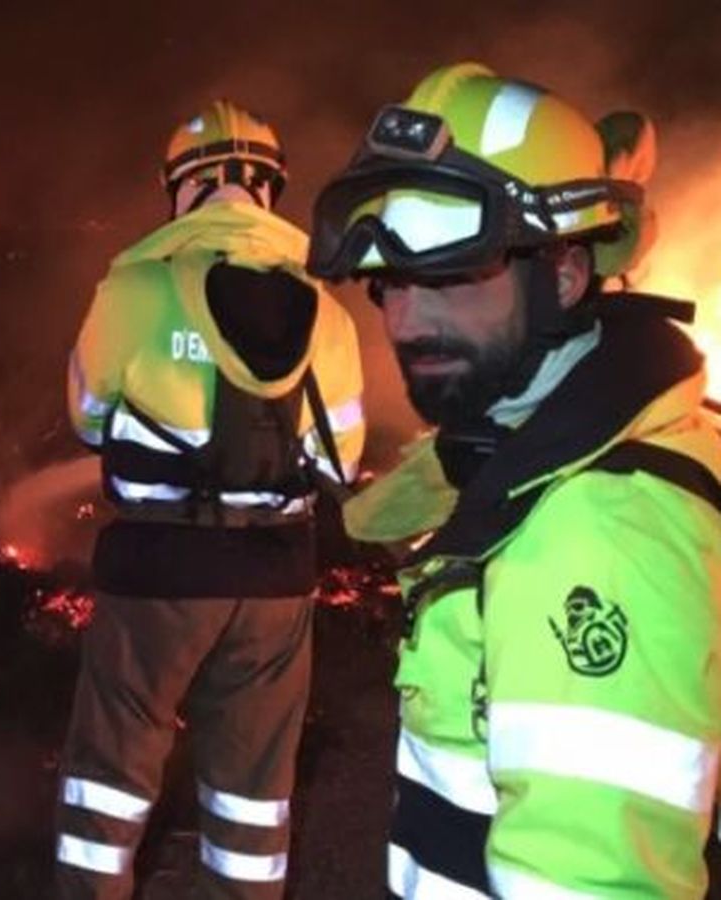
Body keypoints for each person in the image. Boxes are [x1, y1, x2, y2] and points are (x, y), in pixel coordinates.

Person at [307, 61, 721, 898]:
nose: (404, 320)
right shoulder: (546, 465)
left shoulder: (597, 535)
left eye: (453, 275)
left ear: (565, 273)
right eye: (389, 282)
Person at [55, 99, 365, 900]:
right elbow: (344, 460)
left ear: (182, 188)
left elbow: (86, 420)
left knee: (111, 775)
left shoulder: (132, 289)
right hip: (273, 582)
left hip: (155, 574)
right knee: (253, 793)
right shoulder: (325, 309)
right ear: (267, 189)